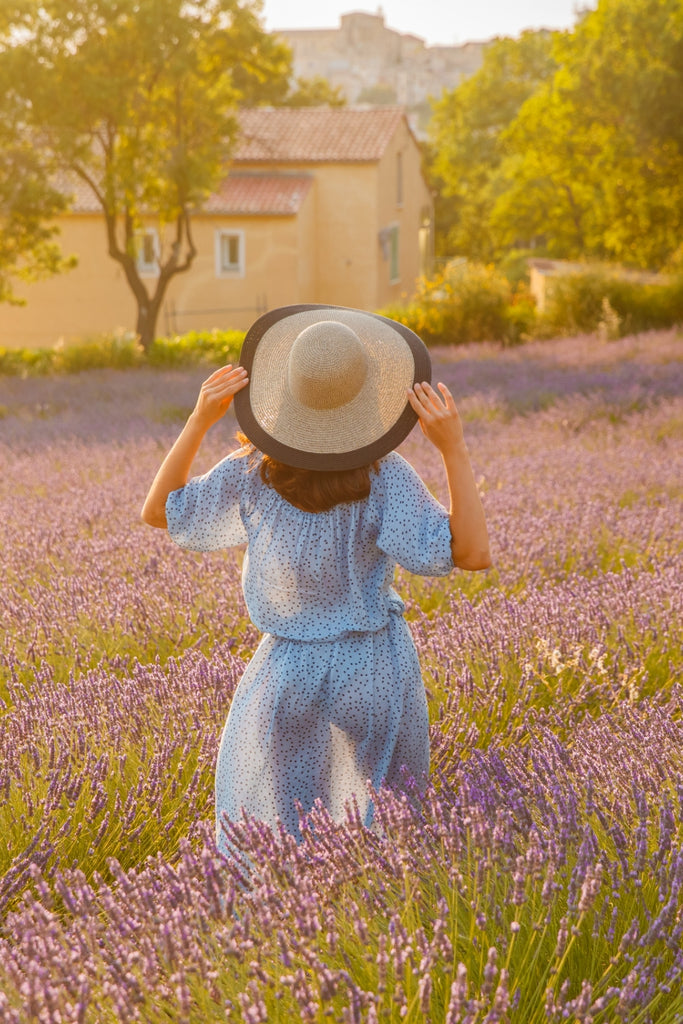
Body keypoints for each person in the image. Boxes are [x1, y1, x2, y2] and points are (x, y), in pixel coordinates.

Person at [141, 305, 490, 853]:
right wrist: (453, 447)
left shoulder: (253, 474)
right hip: (375, 668)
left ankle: (281, 924)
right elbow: (471, 553)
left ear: (284, 393)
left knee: (278, 833)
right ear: (369, 396)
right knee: (386, 832)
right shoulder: (384, 478)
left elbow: (160, 512)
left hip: (288, 672)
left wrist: (199, 420)